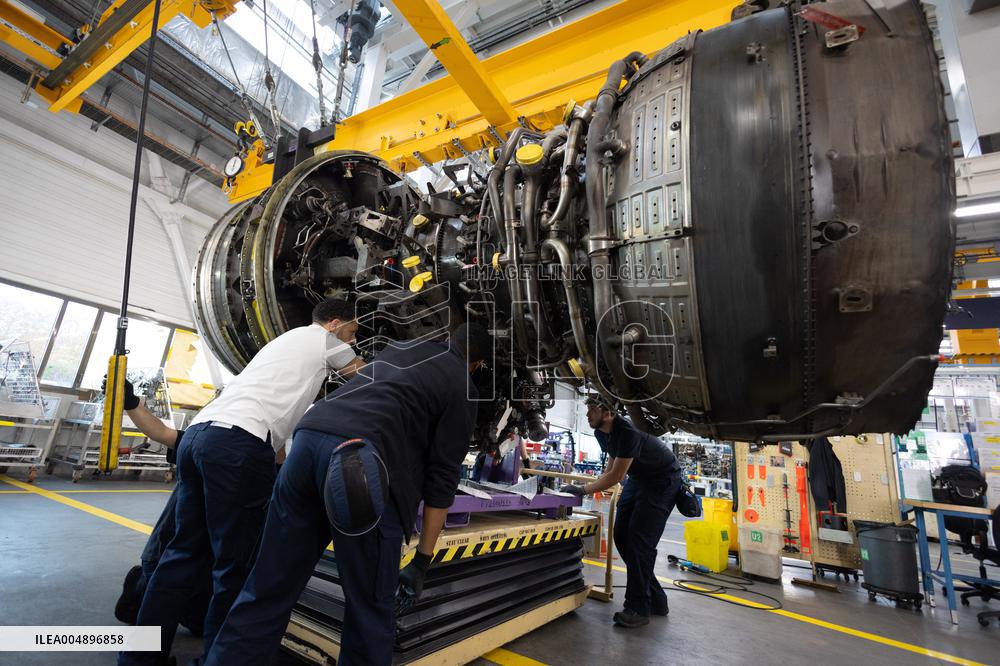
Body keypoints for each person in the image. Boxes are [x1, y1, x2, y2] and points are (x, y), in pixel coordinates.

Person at [202, 322, 490, 666]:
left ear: (447, 337)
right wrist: (423, 561)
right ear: (478, 364)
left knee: (267, 585)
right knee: (369, 607)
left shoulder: (395, 351)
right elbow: (442, 480)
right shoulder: (461, 384)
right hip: (358, 462)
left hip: (306, 443)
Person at [120, 298, 365, 666]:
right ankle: (216, 660)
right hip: (236, 446)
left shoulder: (282, 345)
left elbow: (276, 441)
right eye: (352, 331)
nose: (353, 340)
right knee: (233, 567)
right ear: (333, 324)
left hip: (200, 436)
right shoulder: (325, 340)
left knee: (180, 556)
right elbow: (368, 379)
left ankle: (139, 659)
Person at [561, 396, 682, 628]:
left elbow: (616, 477)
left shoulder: (627, 431)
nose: (587, 414)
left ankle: (638, 608)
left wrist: (582, 489)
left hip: (662, 480)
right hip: (639, 479)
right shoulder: (601, 433)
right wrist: (590, 486)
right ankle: (656, 598)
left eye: (592, 410)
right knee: (622, 537)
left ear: (608, 413)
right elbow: (611, 470)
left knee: (639, 542)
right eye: (587, 409)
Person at [107, 378, 209, 637]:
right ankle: (140, 588)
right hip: (167, 551)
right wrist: (131, 404)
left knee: (200, 624)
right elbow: (161, 433)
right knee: (156, 617)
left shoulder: (257, 454)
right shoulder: (206, 442)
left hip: (204, 560)